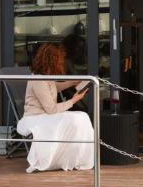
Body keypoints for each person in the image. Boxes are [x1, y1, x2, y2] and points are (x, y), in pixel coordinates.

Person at [17, 42, 95, 173]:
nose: (61, 63)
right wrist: (73, 100)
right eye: (59, 60)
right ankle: (63, 159)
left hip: (46, 115)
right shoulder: (38, 80)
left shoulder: (46, 76)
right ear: (52, 60)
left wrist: (72, 83)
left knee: (82, 117)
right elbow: (51, 109)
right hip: (36, 118)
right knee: (74, 119)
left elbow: (53, 88)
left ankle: (78, 157)